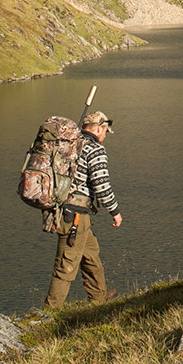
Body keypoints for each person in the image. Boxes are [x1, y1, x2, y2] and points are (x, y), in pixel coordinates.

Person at [45, 108, 122, 307]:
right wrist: (115, 212)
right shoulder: (95, 149)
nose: (105, 136)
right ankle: (48, 314)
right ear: (98, 128)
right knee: (66, 265)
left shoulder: (71, 144)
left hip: (67, 212)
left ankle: (99, 297)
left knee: (91, 254)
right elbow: (102, 185)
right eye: (105, 131)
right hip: (75, 216)